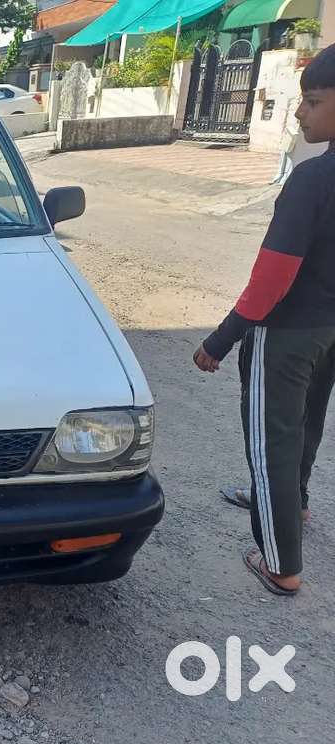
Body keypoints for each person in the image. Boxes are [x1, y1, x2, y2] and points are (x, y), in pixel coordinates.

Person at [193, 44, 335, 597]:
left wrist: (221, 340)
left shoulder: (313, 180)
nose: (300, 114)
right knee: (307, 423)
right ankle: (291, 504)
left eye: (314, 102)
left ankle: (280, 562)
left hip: (288, 333)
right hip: (328, 332)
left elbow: (272, 279)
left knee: (272, 438)